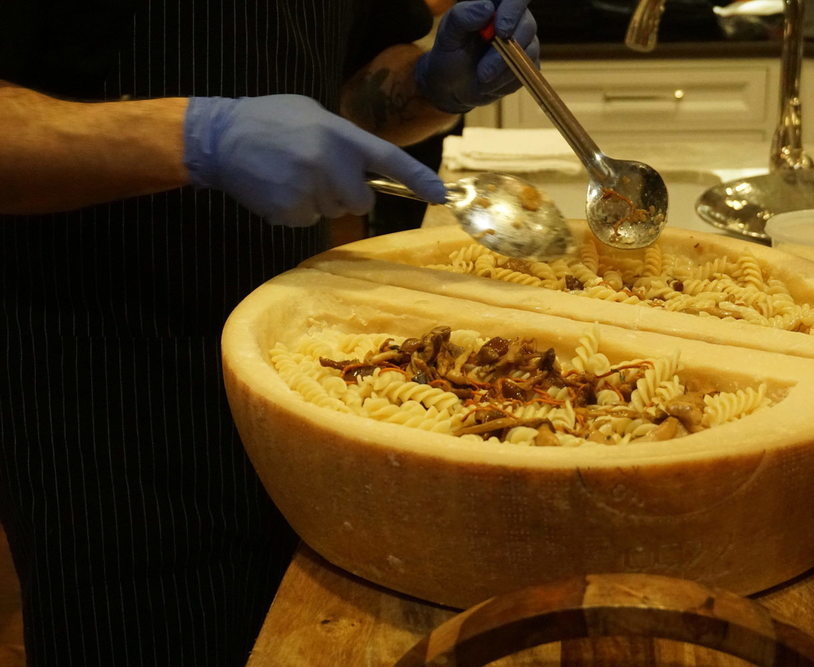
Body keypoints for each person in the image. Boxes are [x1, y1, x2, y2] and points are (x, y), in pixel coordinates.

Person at [0, 1, 539, 665]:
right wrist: (200, 136)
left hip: (307, 382)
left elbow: (346, 98)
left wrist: (428, 85)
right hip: (114, 410)